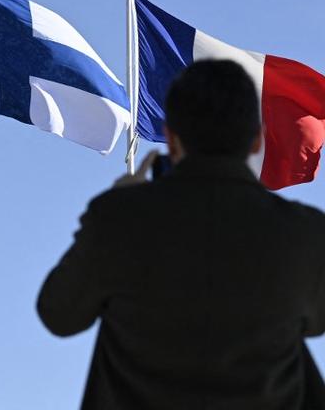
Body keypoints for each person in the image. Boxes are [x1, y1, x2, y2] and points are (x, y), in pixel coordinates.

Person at [37, 59, 325, 410]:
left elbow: (59, 314)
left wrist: (116, 203)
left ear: (171, 139)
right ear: (255, 141)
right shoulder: (305, 233)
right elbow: (315, 323)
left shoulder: (121, 218)